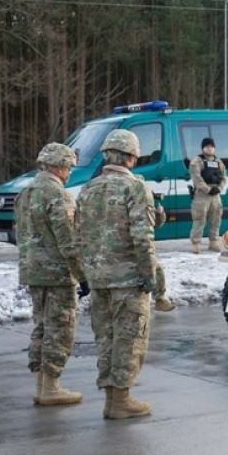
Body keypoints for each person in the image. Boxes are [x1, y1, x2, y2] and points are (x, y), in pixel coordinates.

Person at [76, 129, 157, 420]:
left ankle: (112, 398)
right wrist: (150, 277)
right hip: (127, 279)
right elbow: (142, 238)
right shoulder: (135, 187)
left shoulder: (88, 189)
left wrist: (84, 274)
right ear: (132, 157)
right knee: (130, 339)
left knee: (106, 338)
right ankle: (121, 399)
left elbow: (78, 238)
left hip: (98, 279)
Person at [14, 143, 86, 406]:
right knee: (60, 328)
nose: (69, 173)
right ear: (57, 166)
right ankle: (51, 387)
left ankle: (41, 383)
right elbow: (69, 242)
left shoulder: (25, 193)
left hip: (32, 271)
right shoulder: (58, 195)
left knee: (42, 326)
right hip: (56, 274)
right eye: (68, 167)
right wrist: (82, 275)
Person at [188, 137, 226, 253]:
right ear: (203, 148)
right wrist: (208, 189)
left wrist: (219, 188)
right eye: (207, 146)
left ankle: (214, 242)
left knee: (216, 218)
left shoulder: (218, 161)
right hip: (202, 195)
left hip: (215, 195)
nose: (209, 149)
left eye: (211, 146)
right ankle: (196, 243)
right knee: (199, 219)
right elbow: (197, 178)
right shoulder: (197, 161)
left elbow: (224, 177)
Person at [151, 196, 174, 312]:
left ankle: (159, 300)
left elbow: (156, 223)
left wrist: (159, 213)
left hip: (138, 247)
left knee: (156, 269)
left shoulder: (138, 203)